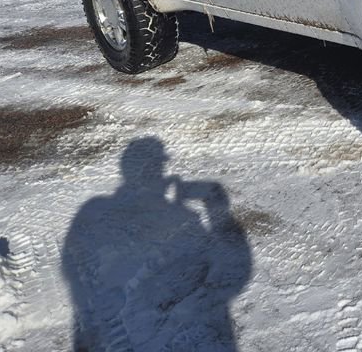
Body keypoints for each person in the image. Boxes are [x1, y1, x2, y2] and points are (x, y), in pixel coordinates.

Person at [61, 138, 252, 351]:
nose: (160, 172)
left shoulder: (95, 210)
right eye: (157, 167)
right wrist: (217, 210)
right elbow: (229, 269)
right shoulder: (179, 217)